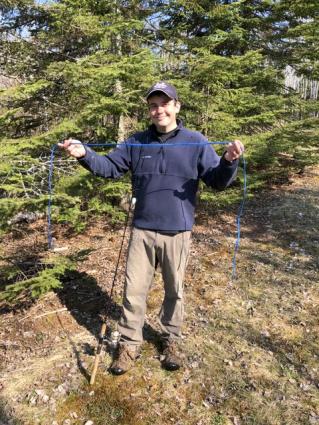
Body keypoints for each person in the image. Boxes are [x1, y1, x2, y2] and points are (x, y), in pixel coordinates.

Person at [59, 81, 244, 375]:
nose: (159, 110)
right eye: (153, 105)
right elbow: (109, 168)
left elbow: (217, 181)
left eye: (164, 103)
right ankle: (130, 343)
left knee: (175, 291)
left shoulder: (196, 141)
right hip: (142, 230)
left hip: (178, 231)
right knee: (133, 291)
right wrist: (85, 154)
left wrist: (229, 161)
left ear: (176, 106)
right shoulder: (136, 142)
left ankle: (171, 339)